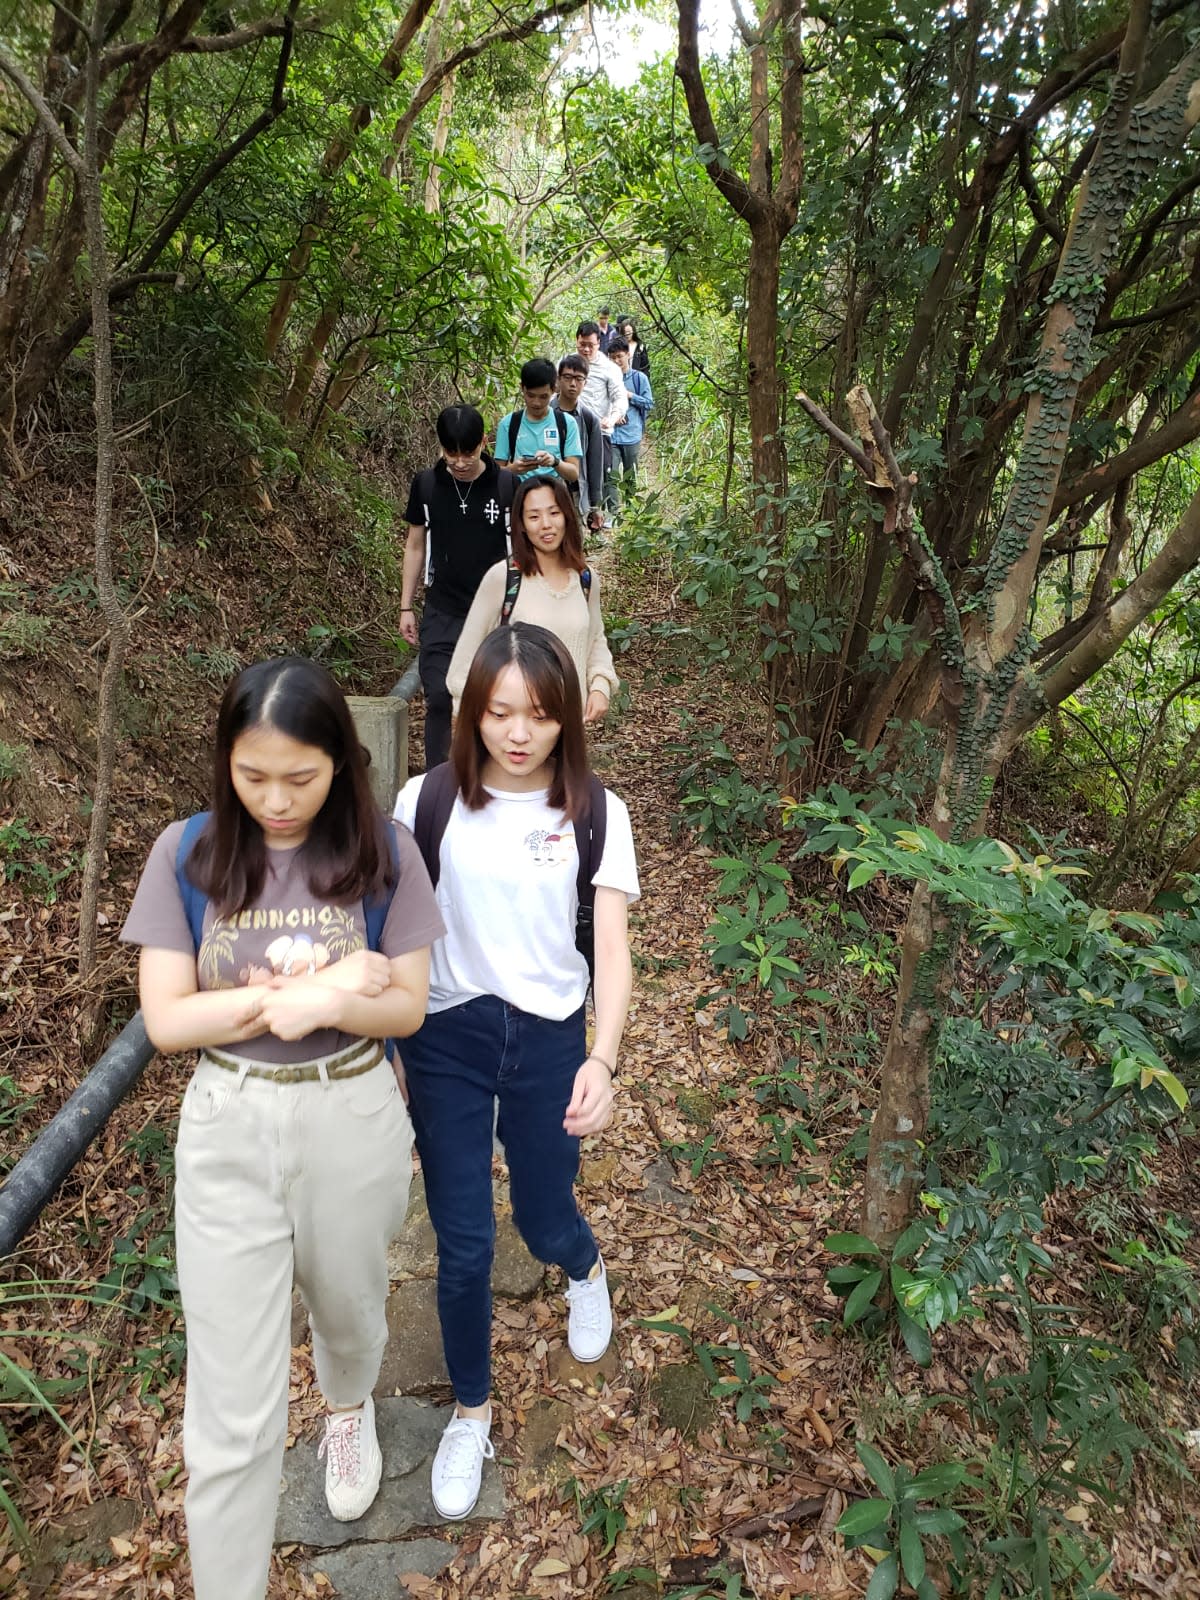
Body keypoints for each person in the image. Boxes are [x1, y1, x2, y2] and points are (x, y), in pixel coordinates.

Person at [120, 657, 445, 1600]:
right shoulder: (186, 854)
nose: (274, 800)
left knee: (351, 1311)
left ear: (340, 763)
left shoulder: (383, 850)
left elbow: (411, 1007)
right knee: (229, 1409)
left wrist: (332, 1004)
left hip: (351, 1110)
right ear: (224, 762)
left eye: (298, 778)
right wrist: (322, 991)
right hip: (227, 1125)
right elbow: (168, 1021)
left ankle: (348, 1407)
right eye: (252, 775)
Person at [393, 621, 639, 1522]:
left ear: (566, 718)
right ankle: (471, 1409)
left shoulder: (596, 813)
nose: (519, 732)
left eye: (538, 714)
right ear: (472, 712)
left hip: (546, 1039)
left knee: (541, 1218)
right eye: (499, 712)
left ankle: (584, 1267)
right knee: (462, 1245)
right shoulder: (423, 802)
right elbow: (389, 933)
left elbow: (610, 950)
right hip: (447, 1038)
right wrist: (386, 1048)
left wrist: (602, 1060)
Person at [447, 476, 618, 725]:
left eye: (553, 513)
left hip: (569, 729)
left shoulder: (586, 579)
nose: (546, 525)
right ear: (522, 525)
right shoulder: (504, 577)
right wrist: (472, 722)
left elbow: (595, 640)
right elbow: (465, 661)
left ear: (567, 516)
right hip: (514, 733)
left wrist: (601, 685)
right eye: (534, 517)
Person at [400, 406, 517, 769]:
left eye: (469, 452)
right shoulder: (427, 485)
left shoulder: (506, 485)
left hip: (496, 614)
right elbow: (415, 544)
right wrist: (406, 605)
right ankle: (437, 778)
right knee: (438, 695)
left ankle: (487, 772)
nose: (461, 461)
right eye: (452, 454)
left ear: (484, 442)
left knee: (491, 698)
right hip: (443, 609)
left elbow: (521, 549)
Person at [566, 323, 626, 524]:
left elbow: (619, 398)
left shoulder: (609, 369)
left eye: (591, 345)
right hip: (569, 430)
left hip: (599, 431)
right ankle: (573, 520)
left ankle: (596, 519)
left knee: (597, 477)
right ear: (576, 341)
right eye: (582, 344)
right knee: (570, 478)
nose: (586, 349)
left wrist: (612, 417)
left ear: (599, 343)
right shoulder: (566, 363)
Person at [494, 358, 582, 488]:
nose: (536, 403)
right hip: (519, 495)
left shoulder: (566, 423)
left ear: (553, 389)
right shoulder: (509, 424)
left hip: (554, 496)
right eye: (530, 395)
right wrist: (514, 469)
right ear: (522, 388)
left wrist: (555, 462)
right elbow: (496, 473)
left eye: (543, 397)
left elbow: (573, 474)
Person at [556, 354, 605, 534]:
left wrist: (595, 505)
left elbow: (594, 464)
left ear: (586, 381)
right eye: (567, 377)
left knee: (574, 544)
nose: (572, 384)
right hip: (546, 489)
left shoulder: (589, 419)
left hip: (576, 491)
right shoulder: (543, 412)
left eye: (578, 379)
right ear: (558, 379)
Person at [608, 336, 654, 516]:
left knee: (630, 474)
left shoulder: (639, 378)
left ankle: (631, 510)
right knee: (610, 474)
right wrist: (613, 414)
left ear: (628, 355)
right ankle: (613, 513)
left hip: (632, 435)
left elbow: (649, 403)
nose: (616, 361)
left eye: (619, 356)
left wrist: (630, 396)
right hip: (611, 435)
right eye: (612, 357)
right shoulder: (607, 379)